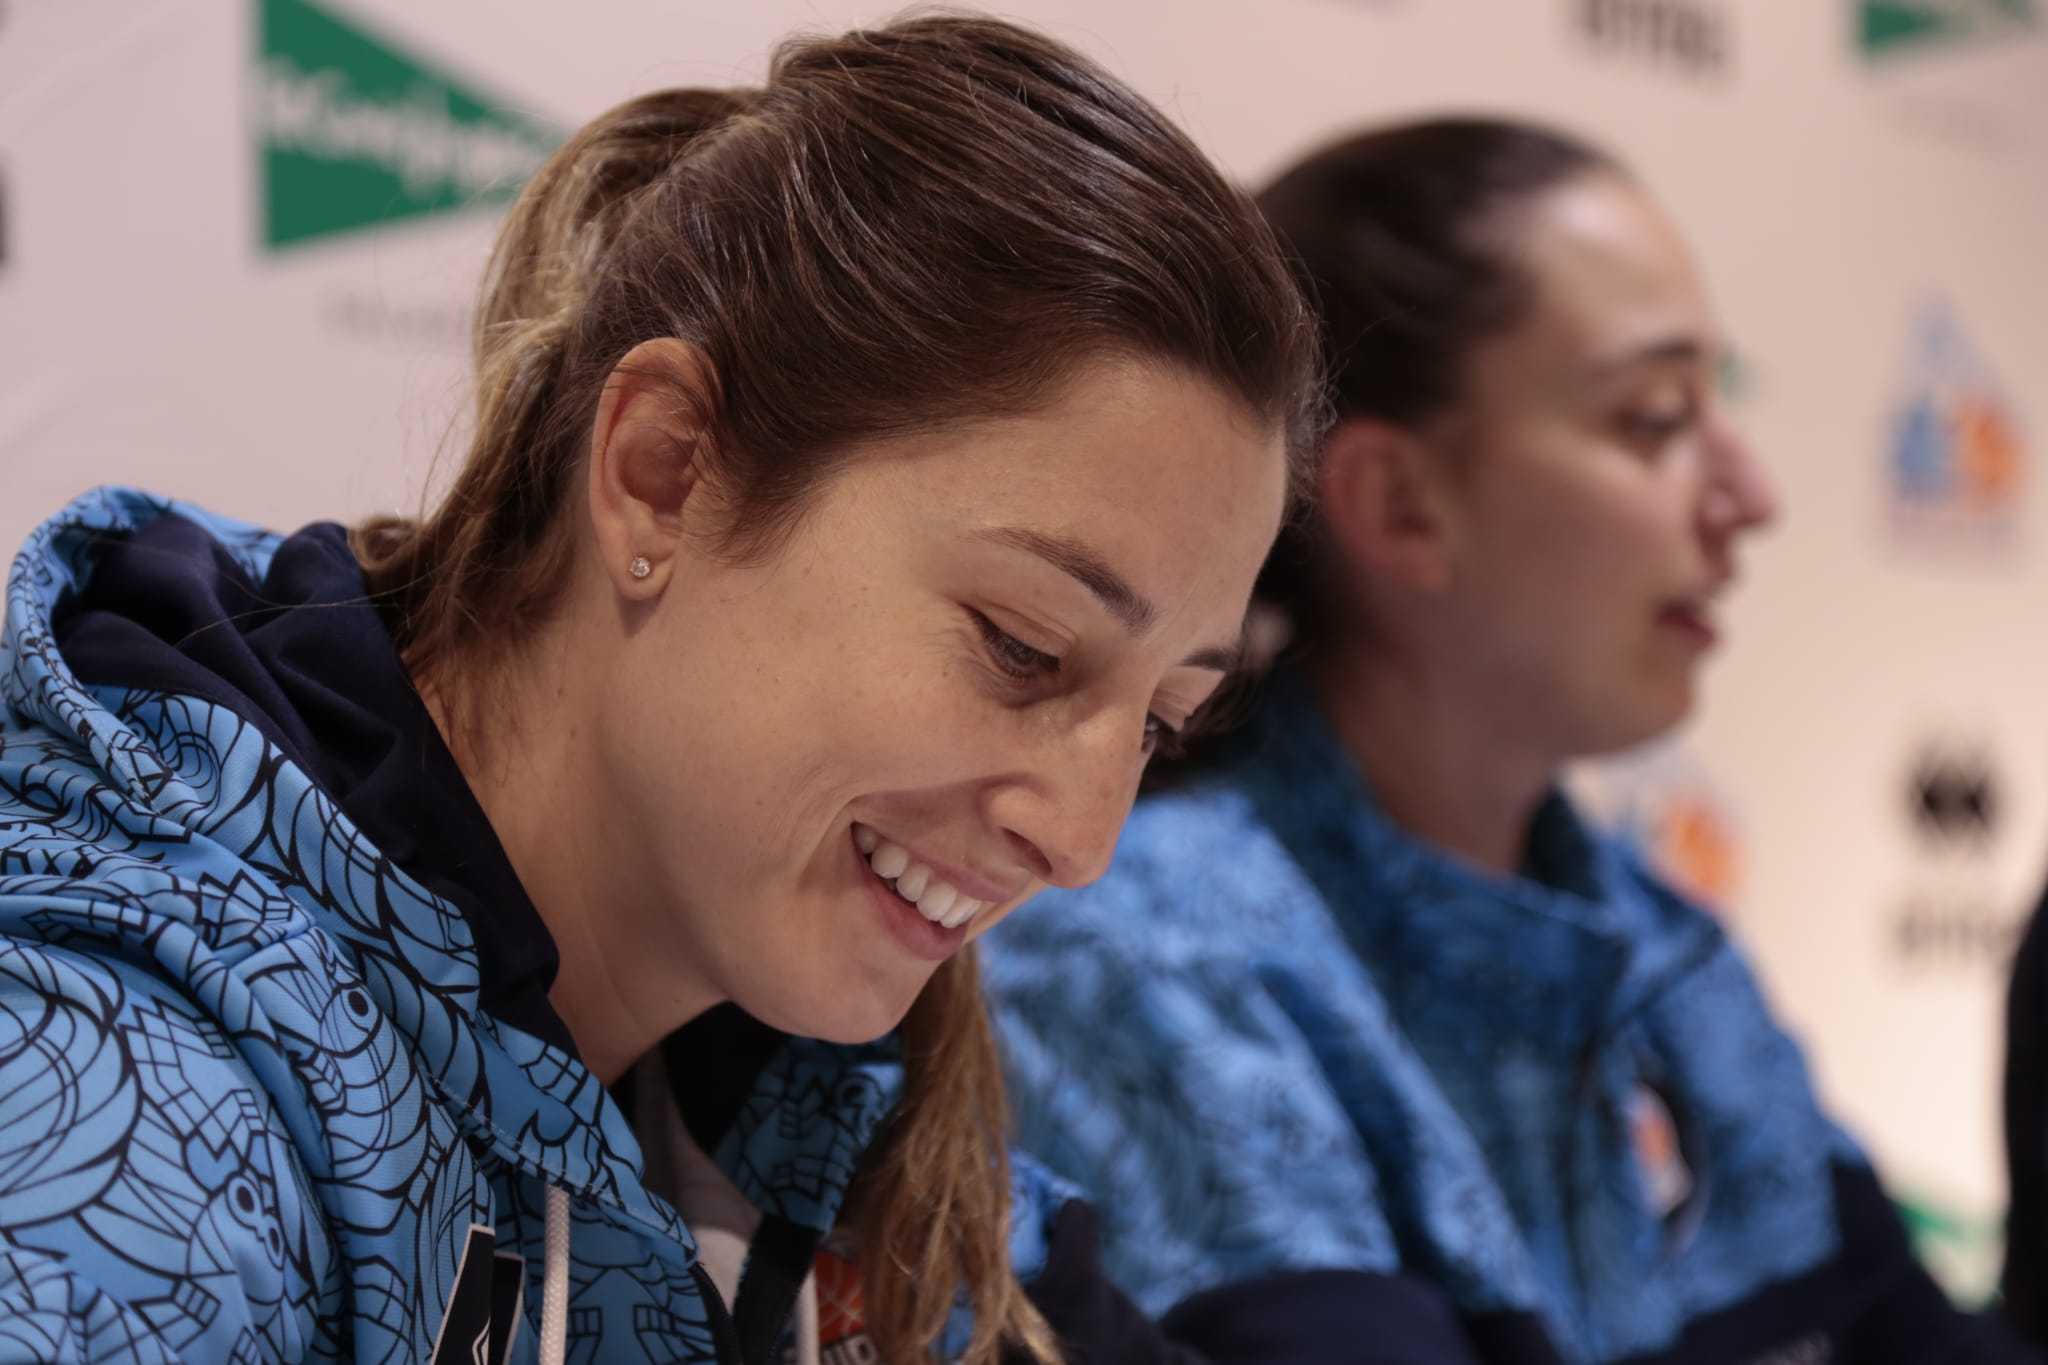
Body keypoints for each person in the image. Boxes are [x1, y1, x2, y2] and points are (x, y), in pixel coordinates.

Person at [0, 16, 1325, 1365]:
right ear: (663, 472)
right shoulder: (110, 1108)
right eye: (1023, 646)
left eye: (1158, 722)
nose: (1084, 843)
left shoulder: (829, 1114)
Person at [985, 117, 2037, 1363]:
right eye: (1653, 417)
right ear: (1397, 504)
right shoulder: (1143, 962)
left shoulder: (1653, 939)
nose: (1749, 498)